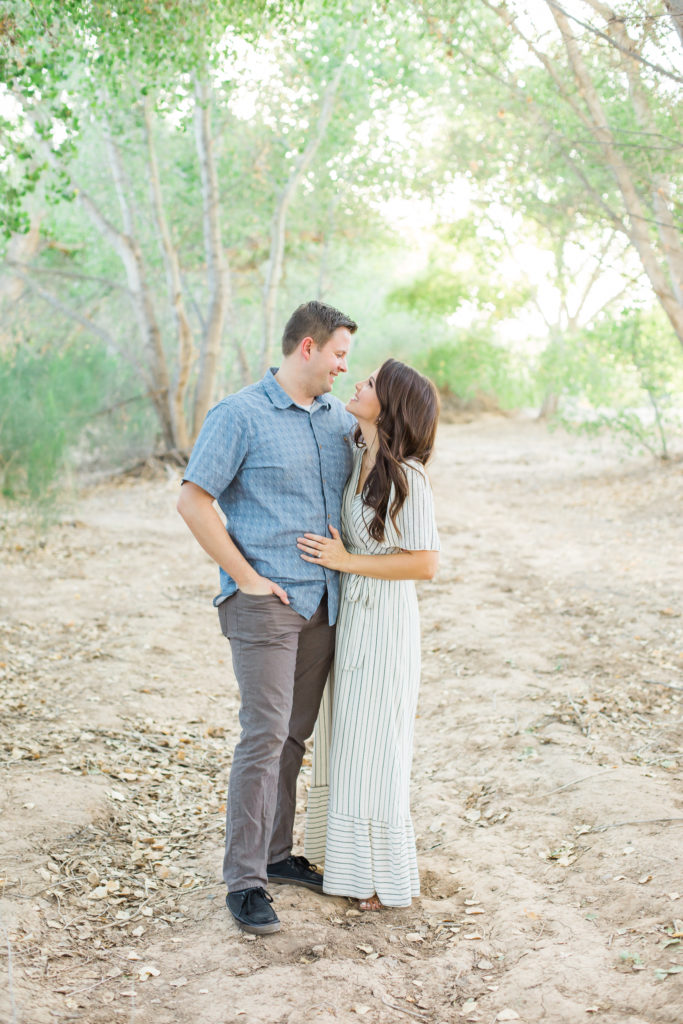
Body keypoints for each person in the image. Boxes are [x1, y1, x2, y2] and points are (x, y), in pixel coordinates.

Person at [177, 300, 357, 935]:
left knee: (292, 737)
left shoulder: (340, 420)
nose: (344, 366)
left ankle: (277, 856)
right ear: (306, 348)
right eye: (338, 354)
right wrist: (248, 580)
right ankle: (245, 881)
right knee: (263, 735)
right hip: (265, 606)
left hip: (326, 605)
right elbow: (193, 501)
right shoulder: (239, 415)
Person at [299, 358, 440, 910]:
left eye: (372, 384)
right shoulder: (359, 454)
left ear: (394, 404)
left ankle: (382, 879)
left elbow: (426, 564)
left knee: (377, 747)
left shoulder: (408, 475)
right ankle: (349, 863)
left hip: (385, 625)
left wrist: (346, 561)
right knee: (346, 741)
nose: (358, 383)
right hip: (351, 621)